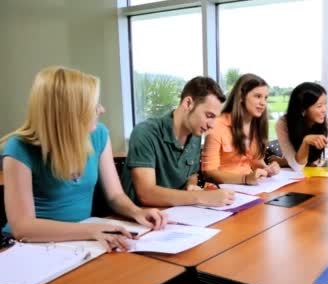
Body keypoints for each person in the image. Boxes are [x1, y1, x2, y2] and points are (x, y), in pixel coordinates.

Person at [0, 66, 167, 252]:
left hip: (79, 242)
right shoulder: (18, 148)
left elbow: (115, 196)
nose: (102, 110)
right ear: (70, 114)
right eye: (94, 105)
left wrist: (137, 212)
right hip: (30, 247)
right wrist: (90, 230)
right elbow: (23, 228)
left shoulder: (99, 135)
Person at [121, 76, 235, 207]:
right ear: (188, 103)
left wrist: (190, 185)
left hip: (175, 213)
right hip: (140, 218)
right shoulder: (145, 133)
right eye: (209, 116)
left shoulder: (195, 135)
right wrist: (201, 197)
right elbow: (146, 194)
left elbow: (192, 174)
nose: (212, 125)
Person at [201, 73, 280, 185]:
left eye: (265, 98)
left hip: (250, 188)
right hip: (224, 190)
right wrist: (245, 179)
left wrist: (267, 168)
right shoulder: (217, 125)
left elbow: (253, 160)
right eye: (257, 96)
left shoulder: (256, 125)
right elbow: (209, 172)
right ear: (242, 96)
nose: (263, 103)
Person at [275, 82, 328, 171]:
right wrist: (306, 142)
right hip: (293, 173)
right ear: (303, 109)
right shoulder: (283, 124)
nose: (324, 110)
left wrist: (285, 162)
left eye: (325, 104)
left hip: (315, 171)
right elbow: (297, 167)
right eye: (319, 106)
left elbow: (322, 158)